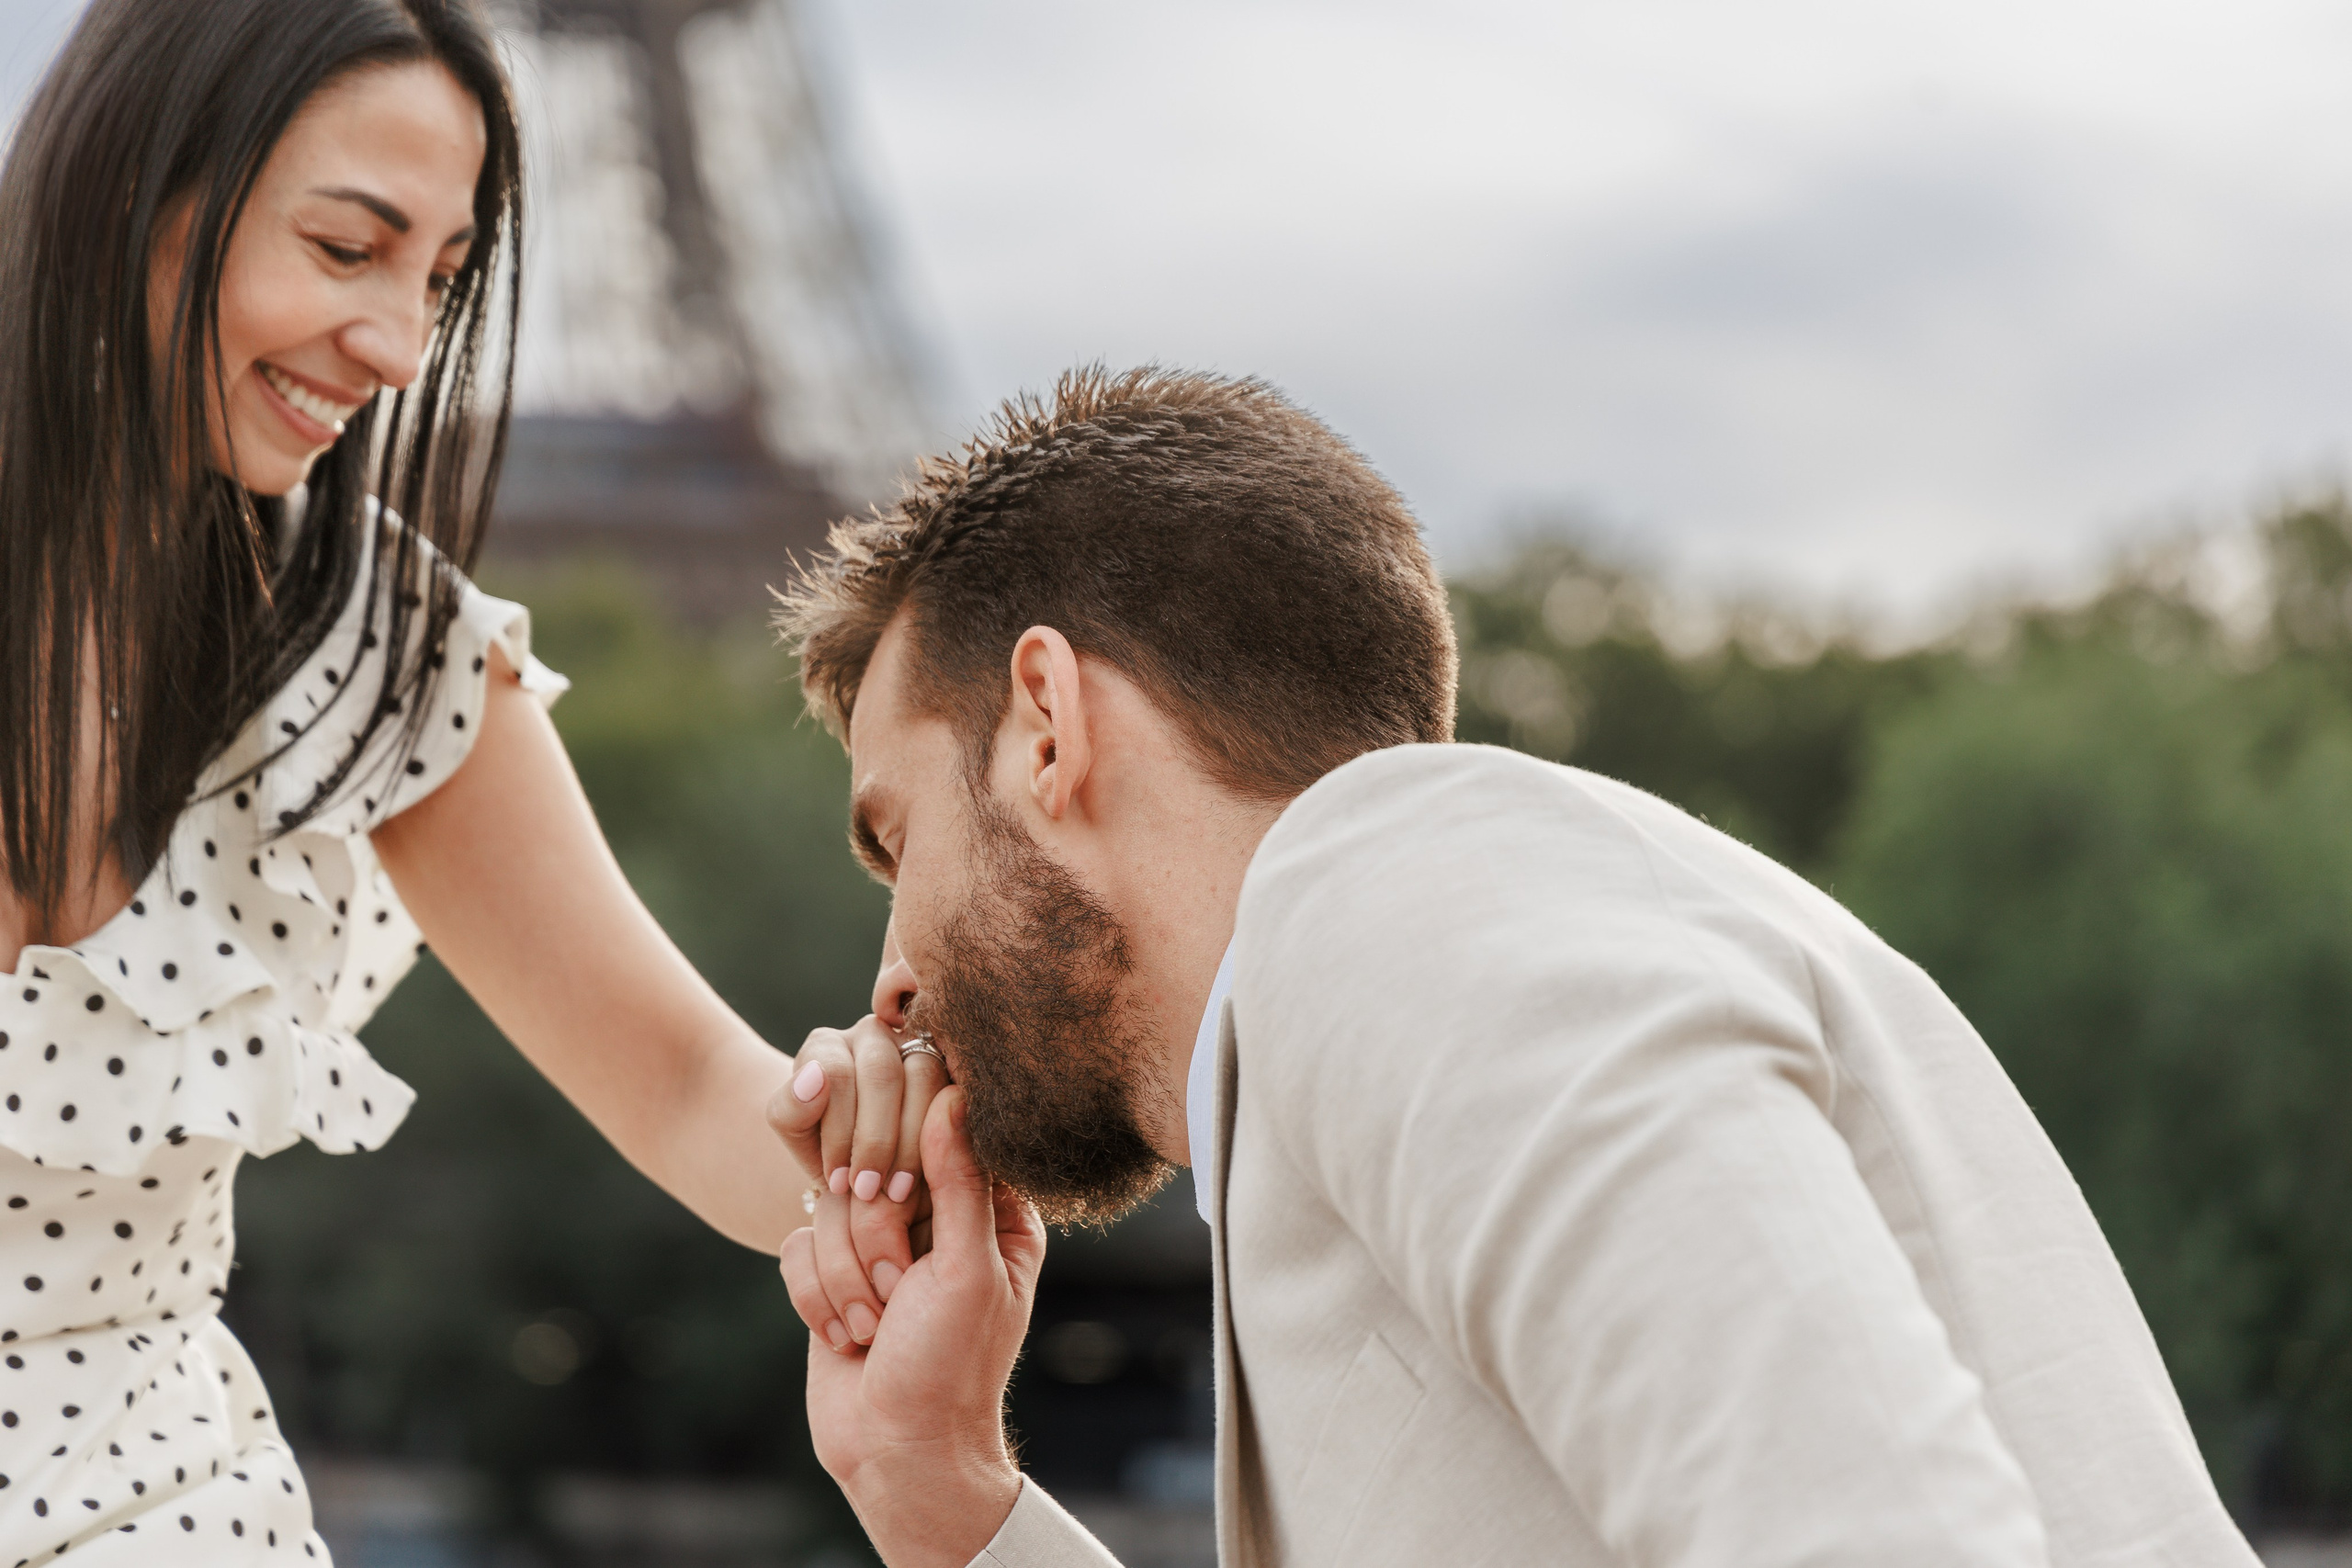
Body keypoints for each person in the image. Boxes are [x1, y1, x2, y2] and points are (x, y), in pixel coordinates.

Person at [769, 366, 2263, 1567]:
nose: (891, 977)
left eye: (898, 842)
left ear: (1044, 726)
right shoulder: (1401, 977)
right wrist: (946, 1498)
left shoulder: (1388, 900)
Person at [0, 2, 927, 1558]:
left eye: (439, 279)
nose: (398, 347)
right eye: (347, 247)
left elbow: (684, 1081)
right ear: (132, 192)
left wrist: (899, 1156)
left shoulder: (380, 646)